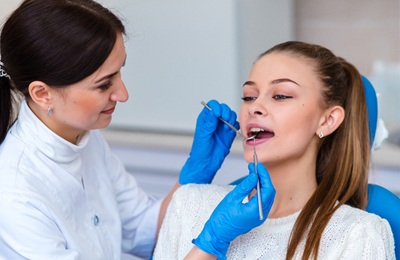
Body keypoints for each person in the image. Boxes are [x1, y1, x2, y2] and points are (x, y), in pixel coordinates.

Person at [0, 0, 276, 259]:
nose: (123, 93)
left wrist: (193, 180)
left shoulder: (85, 138)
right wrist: (211, 241)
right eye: (104, 84)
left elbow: (143, 230)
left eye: (120, 71)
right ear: (42, 94)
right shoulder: (14, 196)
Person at [153, 41, 396, 259]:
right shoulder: (189, 204)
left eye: (280, 95)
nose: (254, 107)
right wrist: (208, 245)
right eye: (248, 97)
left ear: (327, 120)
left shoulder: (359, 235)